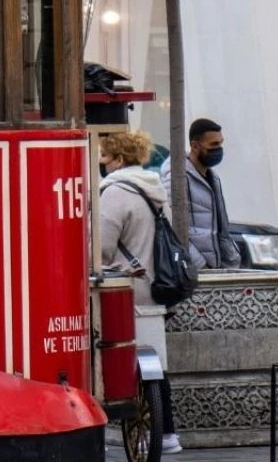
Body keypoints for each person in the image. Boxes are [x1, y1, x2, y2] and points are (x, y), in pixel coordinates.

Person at [98, 130, 182, 454]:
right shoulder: (154, 191)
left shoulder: (115, 193)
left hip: (123, 290)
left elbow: (102, 249)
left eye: (104, 157)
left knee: (121, 360)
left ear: (119, 160)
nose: (102, 163)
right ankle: (168, 432)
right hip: (153, 287)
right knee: (156, 364)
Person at [160, 118, 241, 269]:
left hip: (214, 269)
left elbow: (221, 227)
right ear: (195, 146)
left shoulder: (213, 178)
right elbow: (172, 225)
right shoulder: (176, 177)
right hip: (194, 271)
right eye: (213, 144)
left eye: (220, 143)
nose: (219, 149)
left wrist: (231, 262)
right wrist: (199, 264)